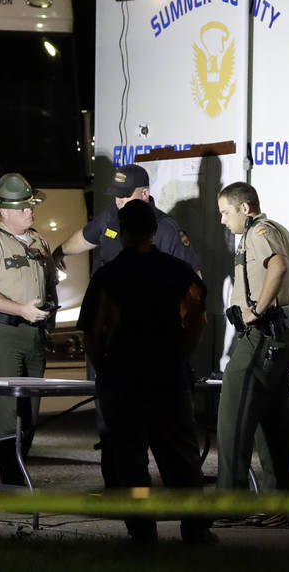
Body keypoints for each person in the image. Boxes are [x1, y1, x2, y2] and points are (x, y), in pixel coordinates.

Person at [77, 199, 214, 544]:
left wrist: (105, 368)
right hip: (168, 376)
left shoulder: (107, 277)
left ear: (121, 232)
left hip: (125, 380)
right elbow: (198, 319)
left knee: (132, 461)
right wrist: (181, 352)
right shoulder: (178, 272)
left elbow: (92, 333)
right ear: (154, 231)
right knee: (182, 459)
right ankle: (195, 530)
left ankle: (142, 530)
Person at [0, 173, 56, 486]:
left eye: (30, 206)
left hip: (34, 334)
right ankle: (12, 484)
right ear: (4, 211)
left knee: (30, 411)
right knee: (7, 413)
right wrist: (21, 309)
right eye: (22, 208)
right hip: (4, 335)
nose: (29, 212)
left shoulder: (39, 241)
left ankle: (19, 474)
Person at [215, 181, 289, 492]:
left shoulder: (258, 232)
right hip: (279, 339)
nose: (223, 220)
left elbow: (278, 266)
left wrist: (256, 311)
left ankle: (229, 500)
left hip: (262, 337)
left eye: (225, 212)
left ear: (244, 208)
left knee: (231, 418)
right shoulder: (274, 230)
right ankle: (280, 502)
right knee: (271, 423)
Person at [53, 163, 199, 274]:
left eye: (125, 195)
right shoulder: (111, 214)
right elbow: (85, 238)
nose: (119, 201)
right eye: (117, 194)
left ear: (145, 193)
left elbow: (191, 277)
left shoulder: (166, 228)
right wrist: (59, 252)